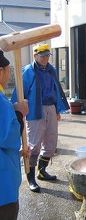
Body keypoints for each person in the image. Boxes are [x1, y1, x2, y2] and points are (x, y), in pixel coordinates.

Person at [12, 44, 69, 193]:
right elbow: (19, 91)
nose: (44, 58)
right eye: (42, 55)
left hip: (50, 107)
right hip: (35, 109)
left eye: (47, 55)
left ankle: (42, 171)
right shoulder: (28, 71)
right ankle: (31, 178)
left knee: (51, 143)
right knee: (33, 145)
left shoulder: (51, 70)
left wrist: (57, 110)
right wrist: (18, 110)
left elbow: (55, 90)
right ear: (35, 56)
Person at [0, 50, 29, 220]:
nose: (9, 74)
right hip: (3, 191)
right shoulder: (1, 102)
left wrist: (19, 154)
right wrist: (19, 113)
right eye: (8, 69)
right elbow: (8, 138)